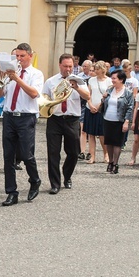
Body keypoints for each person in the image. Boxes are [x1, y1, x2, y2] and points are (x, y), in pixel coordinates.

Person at [0, 43, 43, 206]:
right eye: (17, 56)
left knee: (26, 154)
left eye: (22, 56)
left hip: (26, 117)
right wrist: (2, 80)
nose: (19, 59)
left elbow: (33, 93)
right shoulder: (11, 74)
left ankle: (35, 179)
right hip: (9, 116)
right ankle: (11, 192)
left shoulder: (36, 74)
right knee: (8, 156)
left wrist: (17, 79)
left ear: (30, 56)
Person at [44, 53, 90, 194]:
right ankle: (55, 184)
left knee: (73, 153)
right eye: (65, 66)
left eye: (70, 66)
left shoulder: (80, 80)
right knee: (53, 153)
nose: (68, 69)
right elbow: (45, 99)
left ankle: (67, 175)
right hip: (55, 119)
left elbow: (87, 96)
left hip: (72, 120)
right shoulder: (51, 81)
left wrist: (76, 87)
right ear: (60, 65)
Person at [100, 70, 134, 174]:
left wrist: (126, 122)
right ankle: (110, 162)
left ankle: (115, 163)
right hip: (107, 119)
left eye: (114, 78)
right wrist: (103, 98)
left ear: (121, 79)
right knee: (108, 142)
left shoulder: (128, 92)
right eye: (112, 78)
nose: (112, 80)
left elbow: (130, 108)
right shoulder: (110, 90)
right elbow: (104, 103)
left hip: (119, 120)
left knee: (117, 143)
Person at [84, 61, 111, 164]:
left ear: (102, 69)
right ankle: (92, 156)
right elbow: (88, 94)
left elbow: (107, 95)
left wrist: (98, 106)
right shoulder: (91, 80)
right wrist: (90, 104)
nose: (95, 71)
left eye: (97, 69)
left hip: (102, 109)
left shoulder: (109, 81)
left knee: (102, 134)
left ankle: (106, 154)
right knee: (91, 134)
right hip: (90, 108)